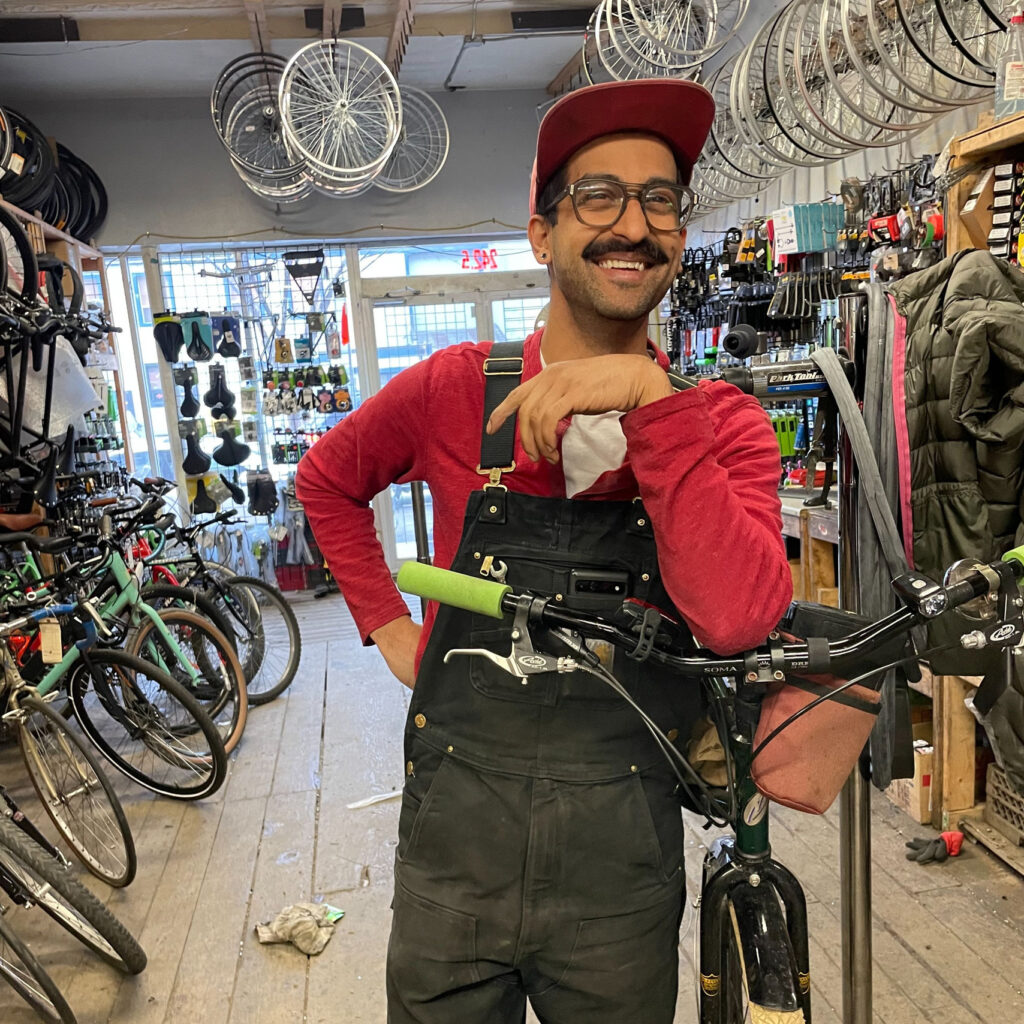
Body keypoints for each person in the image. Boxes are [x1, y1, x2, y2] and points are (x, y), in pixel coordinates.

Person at [296, 78, 792, 1024]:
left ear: (680, 235)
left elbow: (739, 616)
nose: (633, 225)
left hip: (620, 888)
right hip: (453, 870)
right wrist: (387, 627)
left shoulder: (720, 423)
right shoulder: (453, 390)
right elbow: (326, 479)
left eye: (660, 201)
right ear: (542, 232)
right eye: (599, 196)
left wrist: (652, 405)